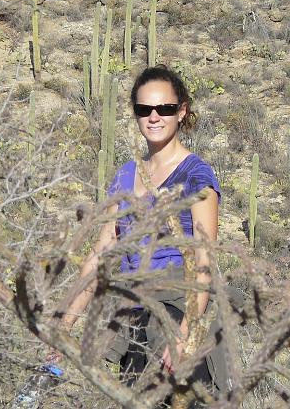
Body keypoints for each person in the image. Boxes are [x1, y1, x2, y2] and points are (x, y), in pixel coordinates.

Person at [57, 65, 226, 394]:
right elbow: (101, 254)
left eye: (164, 108)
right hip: (134, 317)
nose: (154, 117)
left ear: (181, 112)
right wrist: (65, 321)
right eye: (143, 109)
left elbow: (204, 264)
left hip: (175, 311)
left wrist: (185, 334)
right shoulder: (125, 175)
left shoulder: (196, 175)